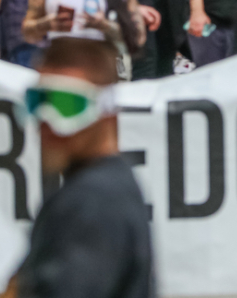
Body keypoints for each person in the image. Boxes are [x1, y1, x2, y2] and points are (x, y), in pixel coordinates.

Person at [15, 38, 154, 298]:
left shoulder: (91, 201)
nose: (47, 123)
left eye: (65, 105)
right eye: (38, 101)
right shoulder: (111, 185)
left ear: (106, 112)